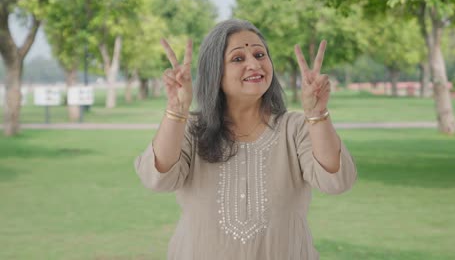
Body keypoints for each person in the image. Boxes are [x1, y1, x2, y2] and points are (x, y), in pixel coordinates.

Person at [134, 19, 357, 260]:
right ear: (215, 73)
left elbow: (337, 183)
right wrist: (177, 109)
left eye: (260, 54)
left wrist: (317, 114)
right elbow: (157, 180)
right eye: (238, 58)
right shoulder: (190, 129)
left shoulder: (295, 128)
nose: (254, 64)